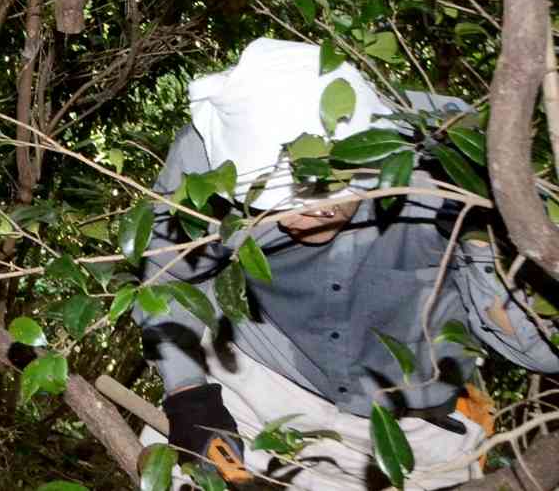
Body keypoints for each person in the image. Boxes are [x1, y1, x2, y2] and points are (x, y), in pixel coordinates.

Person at [137, 38, 558, 489]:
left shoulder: (455, 160)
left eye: (327, 198)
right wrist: (189, 396)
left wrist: (480, 233)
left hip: (418, 428)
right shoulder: (207, 160)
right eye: (275, 204)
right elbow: (170, 281)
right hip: (260, 387)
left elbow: (539, 352)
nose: (305, 216)